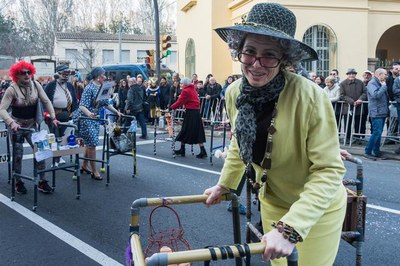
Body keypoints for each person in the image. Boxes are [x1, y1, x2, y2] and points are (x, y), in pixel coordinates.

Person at [204, 3, 346, 265]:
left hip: (315, 212)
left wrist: (290, 229)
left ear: (285, 59)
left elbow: (329, 170)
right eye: (249, 52)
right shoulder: (234, 92)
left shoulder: (310, 96)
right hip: (273, 205)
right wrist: (225, 183)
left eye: (269, 55)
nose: (256, 64)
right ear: (239, 50)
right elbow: (240, 144)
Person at [0, 61, 60, 194]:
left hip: (32, 125)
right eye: (23, 73)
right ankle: (18, 181)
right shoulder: (12, 89)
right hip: (17, 126)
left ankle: (42, 181)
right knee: (18, 154)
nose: (26, 75)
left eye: (28, 72)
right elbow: (2, 110)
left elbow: (46, 101)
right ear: (17, 75)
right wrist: (11, 123)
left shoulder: (36, 85)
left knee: (42, 151)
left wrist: (53, 117)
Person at [75, 67, 122, 180]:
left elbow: (106, 104)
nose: (105, 77)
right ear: (98, 76)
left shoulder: (103, 87)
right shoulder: (89, 88)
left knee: (90, 144)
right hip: (85, 118)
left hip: (95, 119)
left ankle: (84, 166)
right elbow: (82, 105)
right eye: (103, 75)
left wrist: (116, 111)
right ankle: (95, 171)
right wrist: (89, 114)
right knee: (92, 145)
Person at [44, 64, 79, 166]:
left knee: (62, 137)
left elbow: (74, 101)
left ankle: (58, 156)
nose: (66, 75)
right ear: (57, 74)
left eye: (68, 73)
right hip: (53, 115)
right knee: (55, 136)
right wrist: (48, 115)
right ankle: (56, 159)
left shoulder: (70, 86)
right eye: (64, 73)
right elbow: (45, 101)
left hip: (66, 114)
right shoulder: (51, 86)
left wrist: (74, 113)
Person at [170, 77, 207, 158]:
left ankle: (183, 149)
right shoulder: (192, 89)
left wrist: (171, 107)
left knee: (185, 130)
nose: (180, 85)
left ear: (185, 84)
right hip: (195, 112)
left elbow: (180, 101)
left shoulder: (185, 90)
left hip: (191, 113)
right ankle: (200, 150)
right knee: (194, 131)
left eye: (182, 83)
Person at [364, 68, 390, 160]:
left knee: (378, 133)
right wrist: (383, 87)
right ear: (379, 74)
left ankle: (376, 151)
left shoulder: (379, 82)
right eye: (385, 74)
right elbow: (375, 95)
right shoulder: (372, 83)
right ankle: (367, 151)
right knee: (376, 132)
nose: (386, 76)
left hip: (381, 111)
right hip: (376, 111)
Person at [339, 68, 368, 143]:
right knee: (348, 123)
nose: (351, 75)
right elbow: (342, 95)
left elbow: (365, 92)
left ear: (355, 74)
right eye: (350, 74)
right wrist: (352, 101)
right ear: (347, 75)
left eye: (353, 74)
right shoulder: (343, 83)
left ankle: (358, 138)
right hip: (348, 107)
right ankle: (347, 138)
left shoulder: (360, 82)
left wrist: (360, 99)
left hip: (359, 106)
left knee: (359, 122)